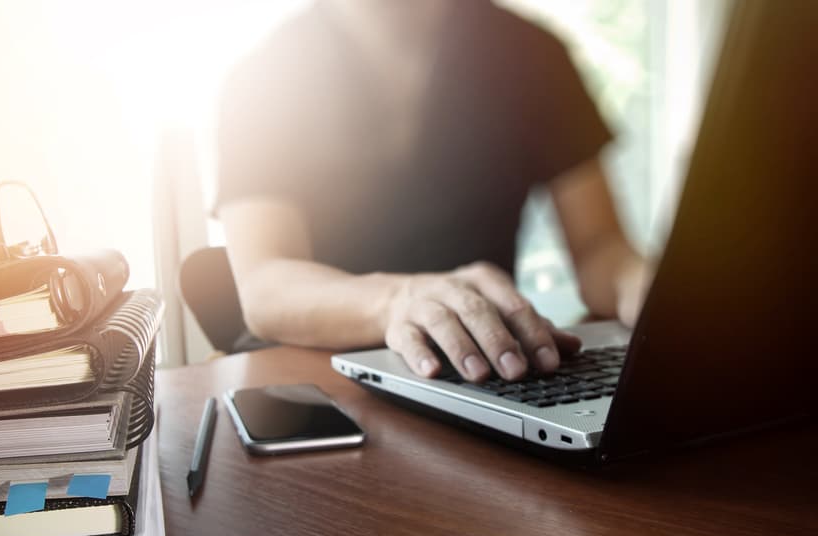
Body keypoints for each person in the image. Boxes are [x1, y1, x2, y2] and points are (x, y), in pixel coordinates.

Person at [213, 0, 650, 382]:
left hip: (482, 373)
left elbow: (600, 245)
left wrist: (644, 285)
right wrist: (397, 301)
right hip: (317, 376)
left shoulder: (534, 54)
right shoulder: (262, 77)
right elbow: (265, 286)